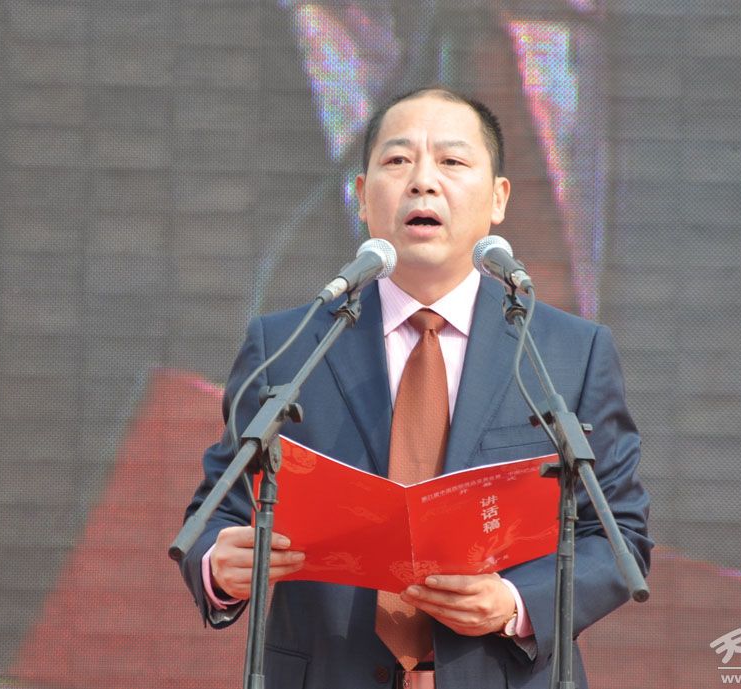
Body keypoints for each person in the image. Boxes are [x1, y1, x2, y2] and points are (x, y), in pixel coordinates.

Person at [179, 86, 651, 689]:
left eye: (452, 161)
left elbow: (617, 534)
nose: (423, 182)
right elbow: (219, 509)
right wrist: (219, 564)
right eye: (398, 160)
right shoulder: (289, 345)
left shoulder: (567, 352)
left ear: (498, 198)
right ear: (361, 195)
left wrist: (515, 604)